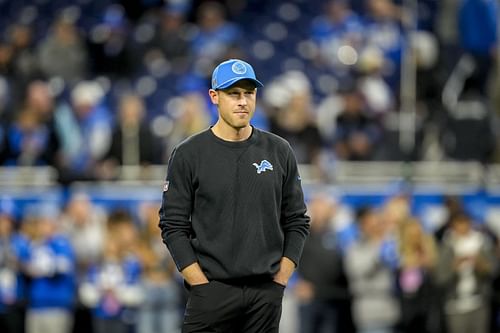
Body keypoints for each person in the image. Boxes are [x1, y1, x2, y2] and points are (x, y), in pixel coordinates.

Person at [158, 58, 310, 332]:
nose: (242, 101)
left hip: (265, 294)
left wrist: (280, 281)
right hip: (211, 292)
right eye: (233, 93)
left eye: (249, 93)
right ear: (214, 97)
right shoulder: (189, 154)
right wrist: (200, 284)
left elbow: (297, 221)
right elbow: (172, 226)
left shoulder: (279, 150)